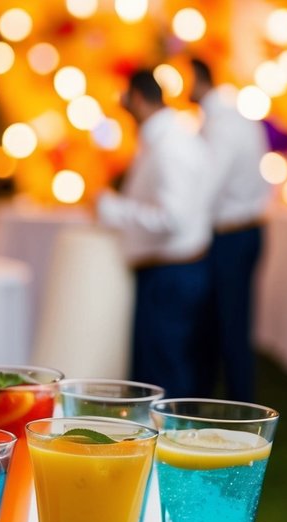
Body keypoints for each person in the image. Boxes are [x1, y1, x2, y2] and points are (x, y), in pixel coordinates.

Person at [97, 69, 212, 398]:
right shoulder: (170, 138)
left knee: (164, 372)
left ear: (135, 98)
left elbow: (172, 218)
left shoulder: (170, 146)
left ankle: (167, 443)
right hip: (174, 269)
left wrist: (110, 208)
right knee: (163, 366)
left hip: (171, 273)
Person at [191, 58, 271, 403]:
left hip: (230, 235)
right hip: (246, 230)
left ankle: (238, 405)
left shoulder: (221, 124)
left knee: (229, 324)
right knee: (227, 322)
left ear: (198, 79)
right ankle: (219, 398)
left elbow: (206, 186)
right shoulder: (237, 116)